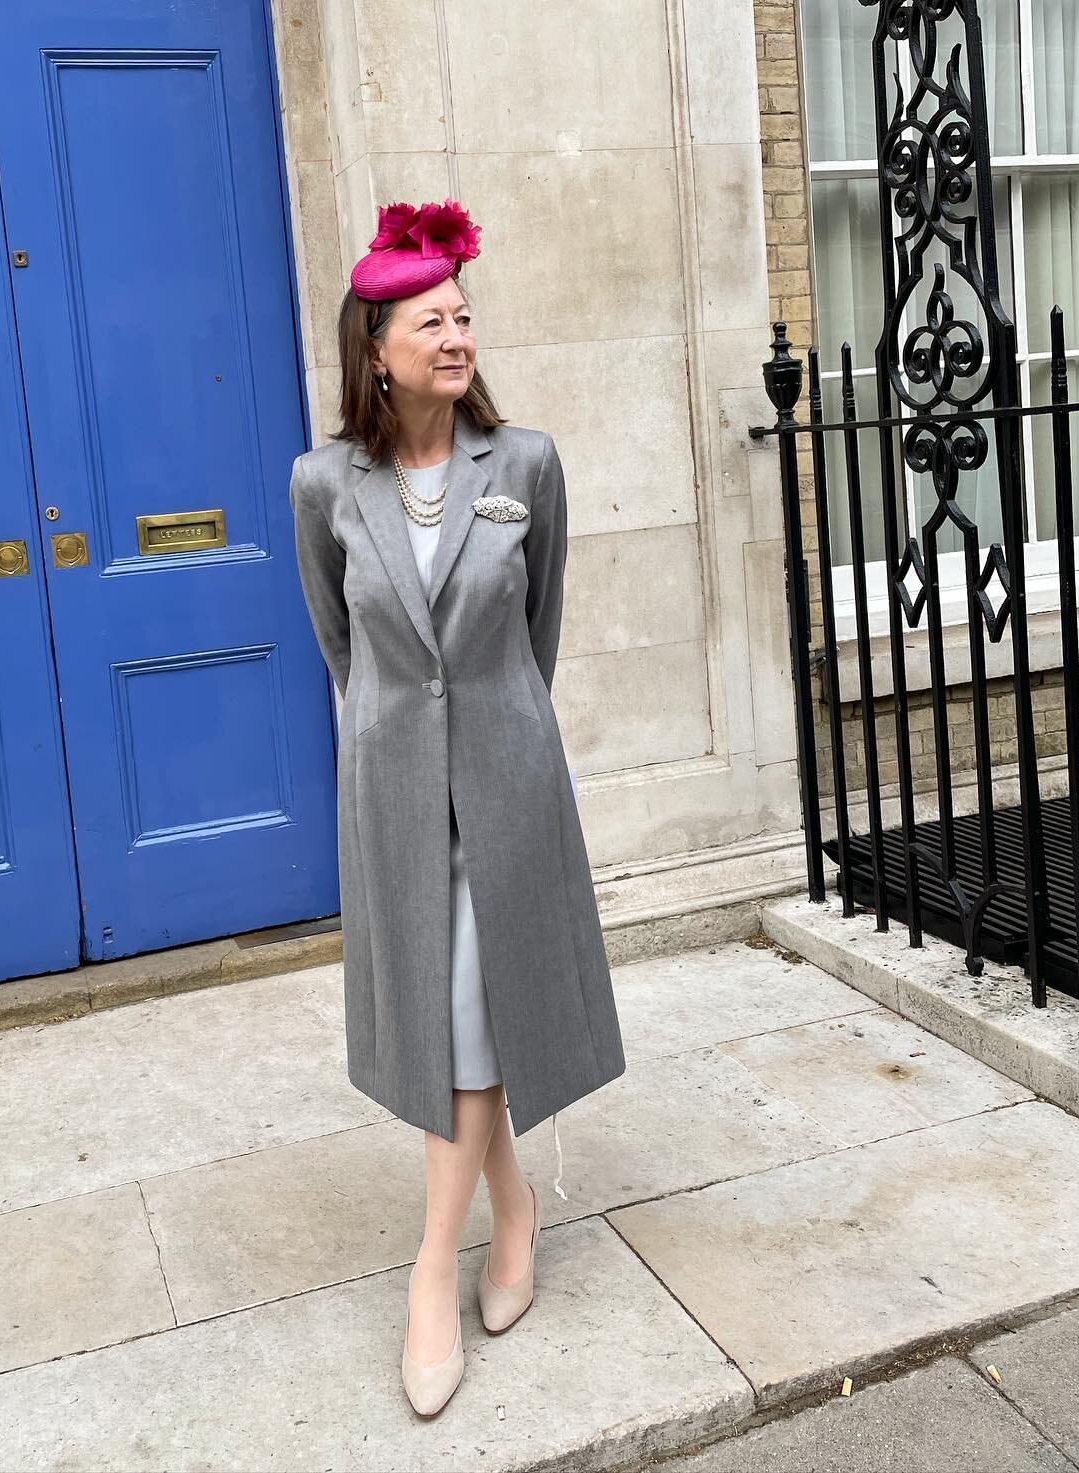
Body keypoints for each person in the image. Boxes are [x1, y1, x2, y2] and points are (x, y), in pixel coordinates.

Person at [288, 199, 625, 1417]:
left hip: (507, 769)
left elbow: (539, 629)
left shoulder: (523, 462)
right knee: (438, 1007)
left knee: (476, 1006)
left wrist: (504, 733)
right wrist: (391, 733)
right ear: (373, 348)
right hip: (391, 780)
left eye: (465, 315)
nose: (455, 335)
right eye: (430, 321)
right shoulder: (323, 482)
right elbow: (342, 646)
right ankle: (516, 1203)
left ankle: (433, 1273)